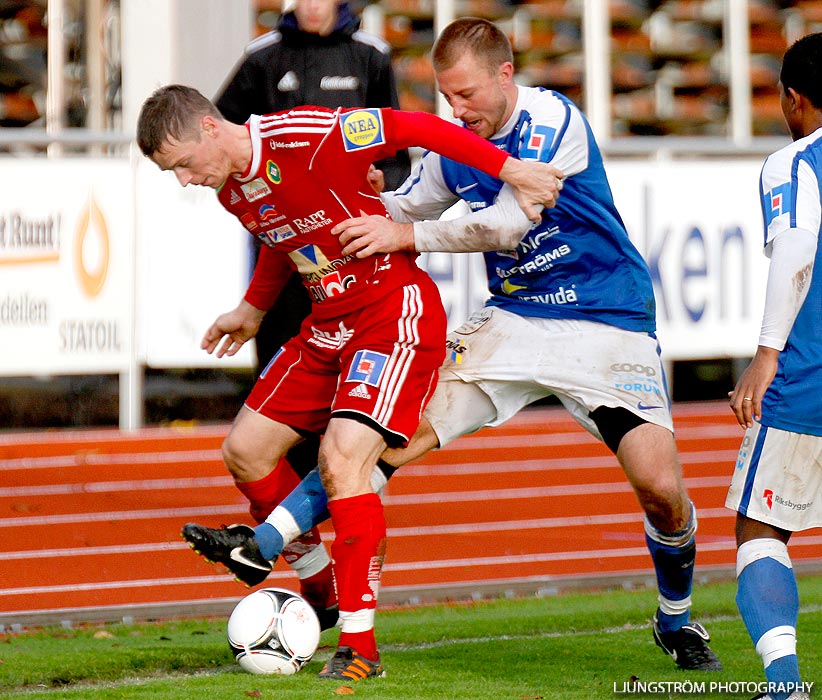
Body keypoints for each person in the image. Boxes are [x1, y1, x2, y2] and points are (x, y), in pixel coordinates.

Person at [226, 17, 724, 673]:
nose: (457, 111)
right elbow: (409, 206)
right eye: (446, 98)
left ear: (505, 75)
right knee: (388, 439)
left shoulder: (552, 123)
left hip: (607, 317)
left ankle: (676, 619)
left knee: (661, 488)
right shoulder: (458, 142)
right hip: (513, 320)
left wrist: (408, 238)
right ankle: (265, 540)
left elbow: (509, 223)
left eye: (466, 96)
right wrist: (375, 200)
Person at [136, 84, 562, 681]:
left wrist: (512, 168)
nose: (183, 181)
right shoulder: (231, 187)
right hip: (327, 322)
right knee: (245, 453)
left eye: (182, 164)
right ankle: (321, 590)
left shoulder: (305, 136)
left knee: (342, 462)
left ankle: (361, 648)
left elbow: (416, 126)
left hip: (392, 314)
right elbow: (283, 240)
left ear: (209, 128)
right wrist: (253, 310)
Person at [213, 0, 411, 630]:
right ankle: (315, 569)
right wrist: (252, 302)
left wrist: (389, 187)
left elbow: (405, 142)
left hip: (356, 257)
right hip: (291, 266)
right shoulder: (262, 58)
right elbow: (218, 137)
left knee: (343, 445)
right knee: (266, 431)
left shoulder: (371, 56)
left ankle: (348, 613)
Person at [725, 32, 822, 700]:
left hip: (811, 374)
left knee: (762, 526)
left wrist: (765, 354)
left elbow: (796, 250)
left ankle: (783, 681)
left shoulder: (795, 162)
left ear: (794, 99)